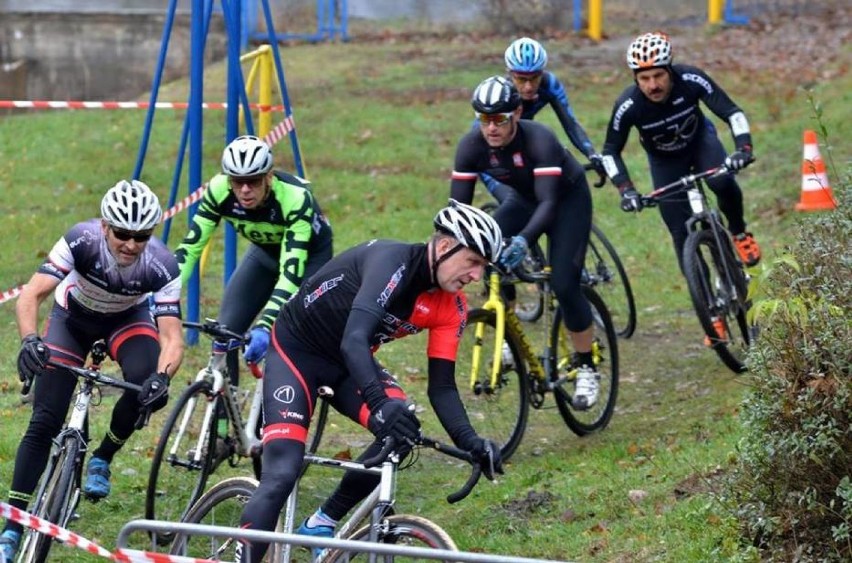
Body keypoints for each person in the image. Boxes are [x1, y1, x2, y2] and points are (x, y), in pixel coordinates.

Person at [233, 200, 505, 563]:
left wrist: (472, 442)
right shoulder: (391, 263)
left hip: (347, 363)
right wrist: (379, 404)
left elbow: (442, 386)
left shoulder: (450, 307)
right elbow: (354, 339)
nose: (476, 276)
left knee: (402, 429)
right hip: (297, 353)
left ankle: (320, 523)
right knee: (281, 474)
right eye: (473, 261)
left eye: (483, 267)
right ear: (444, 246)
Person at [0, 180, 183, 561]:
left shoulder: (162, 264)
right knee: (45, 420)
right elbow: (31, 295)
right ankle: (12, 526)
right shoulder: (80, 240)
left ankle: (102, 457)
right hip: (73, 319)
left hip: (125, 320)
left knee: (142, 384)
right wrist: (30, 339)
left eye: (141, 236)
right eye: (122, 233)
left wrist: (162, 377)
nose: (131, 244)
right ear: (105, 226)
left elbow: (171, 337)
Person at [451, 75, 601, 410]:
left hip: (565, 202)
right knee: (485, 253)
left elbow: (548, 204)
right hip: (523, 201)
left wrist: (522, 240)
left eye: (499, 120)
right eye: (484, 119)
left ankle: (587, 365)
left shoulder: (540, 140)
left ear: (516, 114)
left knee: (564, 283)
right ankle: (506, 334)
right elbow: (457, 210)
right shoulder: (471, 146)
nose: (491, 128)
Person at [174, 135, 333, 402]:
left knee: (286, 335)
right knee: (226, 331)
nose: (245, 189)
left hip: (307, 260)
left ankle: (275, 417)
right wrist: (163, 294)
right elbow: (190, 248)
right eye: (237, 182)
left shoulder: (294, 198)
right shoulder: (218, 191)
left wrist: (266, 323)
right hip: (264, 254)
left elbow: (291, 273)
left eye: (254, 181)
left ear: (268, 177)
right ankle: (225, 424)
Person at [600, 32, 760, 275]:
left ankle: (738, 231)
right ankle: (706, 302)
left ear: (670, 70)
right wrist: (626, 190)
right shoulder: (628, 106)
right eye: (644, 78)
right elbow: (610, 151)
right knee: (679, 230)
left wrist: (743, 148)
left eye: (658, 76)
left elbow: (731, 112)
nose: (652, 85)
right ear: (635, 78)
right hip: (665, 161)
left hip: (700, 144)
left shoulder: (691, 79)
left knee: (722, 181)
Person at [479, 37, 606, 203]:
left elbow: (570, 124)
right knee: (517, 205)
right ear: (510, 74)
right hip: (489, 157)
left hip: (519, 146)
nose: (528, 87)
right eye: (521, 79)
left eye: (534, 78)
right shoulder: (500, 93)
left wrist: (592, 155)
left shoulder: (549, 84)